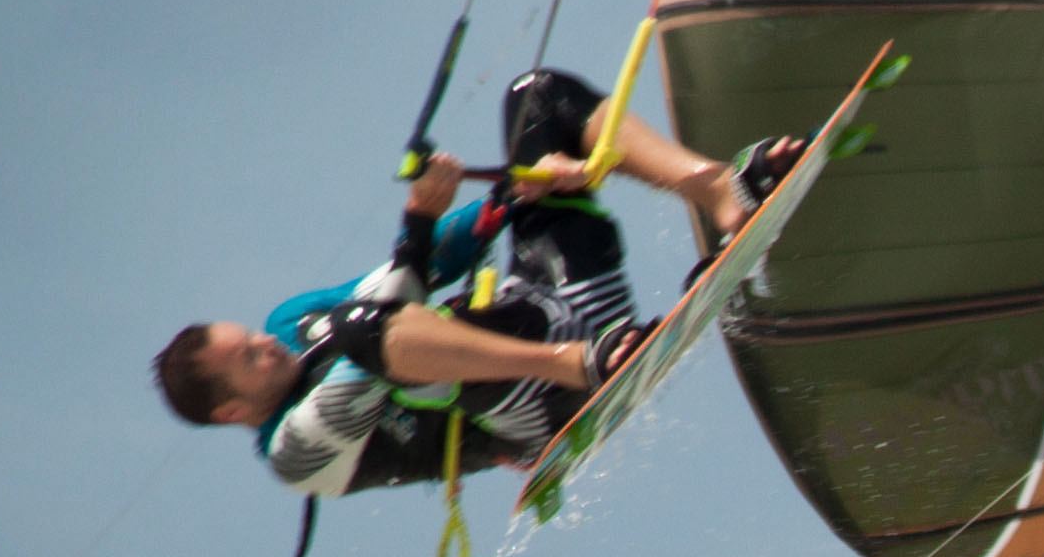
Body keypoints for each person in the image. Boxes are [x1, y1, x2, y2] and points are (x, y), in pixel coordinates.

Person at [150, 66, 770, 504]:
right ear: (232, 410)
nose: (269, 344)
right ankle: (579, 361)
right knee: (364, 333)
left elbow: (417, 270)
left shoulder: (291, 321)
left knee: (538, 97)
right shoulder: (293, 456)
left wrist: (510, 193)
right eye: (249, 359)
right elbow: (375, 343)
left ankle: (716, 188)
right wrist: (416, 220)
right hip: (537, 402)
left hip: (567, 305)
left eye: (252, 337)